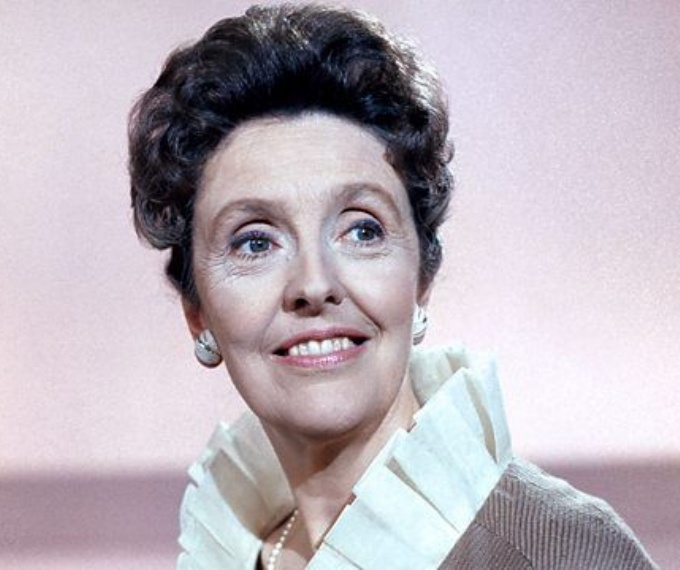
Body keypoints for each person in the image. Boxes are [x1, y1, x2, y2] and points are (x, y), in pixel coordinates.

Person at [128, 4, 657, 569]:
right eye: (255, 242)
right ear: (197, 314)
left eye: (362, 229)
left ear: (421, 278)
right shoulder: (234, 550)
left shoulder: (559, 552)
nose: (314, 284)